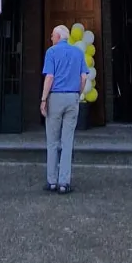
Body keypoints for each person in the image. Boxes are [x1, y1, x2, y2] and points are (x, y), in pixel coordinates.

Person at [41, 24, 88, 194]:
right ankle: (64, 183)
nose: (51, 38)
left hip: (56, 97)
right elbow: (83, 77)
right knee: (67, 142)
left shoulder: (51, 52)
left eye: (53, 35)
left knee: (52, 141)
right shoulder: (78, 52)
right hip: (72, 97)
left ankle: (51, 181)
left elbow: (50, 77)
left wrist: (43, 99)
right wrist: (78, 93)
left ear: (58, 37)